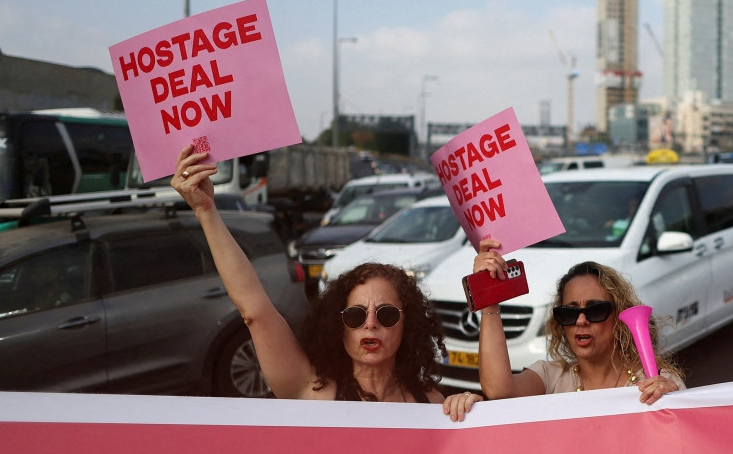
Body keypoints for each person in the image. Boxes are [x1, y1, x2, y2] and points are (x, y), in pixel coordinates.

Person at [173, 145, 479, 419]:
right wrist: (206, 211)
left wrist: (471, 413)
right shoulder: (312, 393)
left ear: (407, 326)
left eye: (386, 314)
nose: (370, 324)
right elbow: (255, 310)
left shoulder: (430, 404)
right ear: (339, 327)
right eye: (356, 315)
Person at [469, 238, 684, 403]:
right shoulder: (551, 377)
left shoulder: (657, 380)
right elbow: (499, 390)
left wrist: (673, 402)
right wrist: (489, 301)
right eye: (569, 313)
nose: (581, 320)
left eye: (595, 310)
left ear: (619, 318)